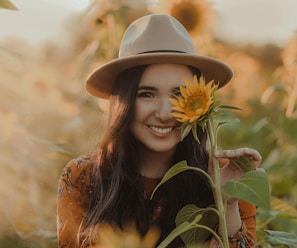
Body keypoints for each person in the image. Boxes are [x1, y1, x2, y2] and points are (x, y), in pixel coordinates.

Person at [57, 14, 262, 248]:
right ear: (123, 102)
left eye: (179, 95)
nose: (165, 113)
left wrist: (228, 204)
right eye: (147, 94)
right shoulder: (81, 176)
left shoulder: (227, 176)